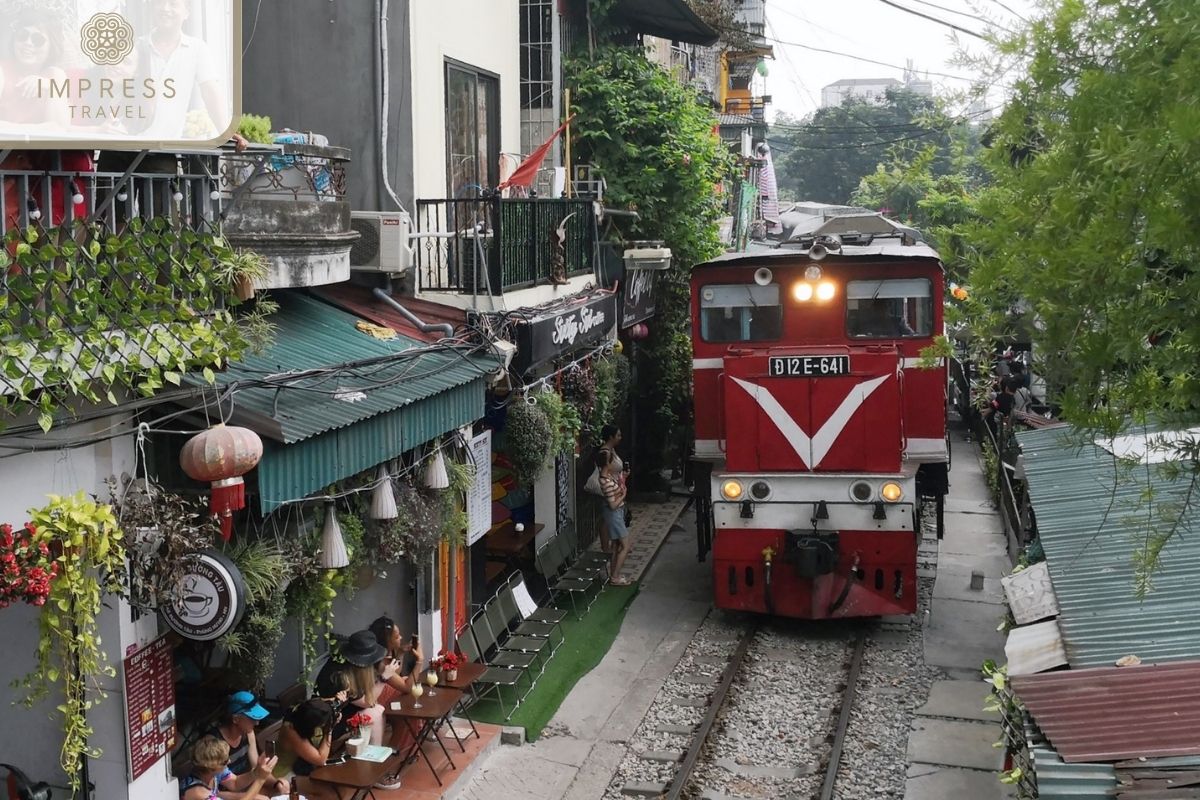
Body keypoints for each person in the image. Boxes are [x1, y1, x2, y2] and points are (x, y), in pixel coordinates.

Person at [139, 0, 231, 140]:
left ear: (187, 12)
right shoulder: (136, 46)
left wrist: (225, 132)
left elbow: (210, 92)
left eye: (173, 4)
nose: (165, 8)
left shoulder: (197, 49)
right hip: (125, 144)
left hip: (163, 149)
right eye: (159, 2)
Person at [206, 691, 288, 797]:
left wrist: (277, 784)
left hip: (245, 785)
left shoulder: (248, 733)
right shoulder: (214, 742)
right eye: (252, 718)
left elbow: (256, 768)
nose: (257, 723)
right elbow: (212, 793)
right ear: (236, 719)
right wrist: (250, 795)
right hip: (225, 793)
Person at [313, 630, 388, 746]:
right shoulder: (339, 677)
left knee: (378, 710)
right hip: (327, 724)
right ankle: (373, 753)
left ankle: (374, 752)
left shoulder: (344, 664)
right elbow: (367, 702)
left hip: (342, 711)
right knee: (374, 714)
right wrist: (384, 678)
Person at [181, 735, 275, 800]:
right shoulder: (198, 792)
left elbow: (235, 783)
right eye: (225, 761)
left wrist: (257, 771)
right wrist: (261, 779)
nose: (229, 761)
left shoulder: (213, 773)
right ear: (211, 767)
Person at [271, 698, 334, 783]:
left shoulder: (301, 720)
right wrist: (329, 729)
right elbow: (320, 760)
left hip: (300, 766)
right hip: (283, 775)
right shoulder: (291, 731)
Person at [596, 449, 631, 585]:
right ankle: (615, 577)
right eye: (612, 460)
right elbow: (612, 505)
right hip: (614, 515)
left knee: (616, 545)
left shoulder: (608, 476)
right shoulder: (606, 481)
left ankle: (613, 574)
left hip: (617, 513)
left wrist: (624, 479)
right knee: (625, 546)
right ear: (607, 463)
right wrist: (623, 495)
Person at [595, 425, 627, 554]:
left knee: (609, 518)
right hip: (610, 489)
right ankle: (608, 547)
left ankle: (614, 545)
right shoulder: (606, 453)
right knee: (607, 519)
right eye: (618, 435)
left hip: (615, 487)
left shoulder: (611, 450)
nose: (620, 438)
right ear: (611, 437)